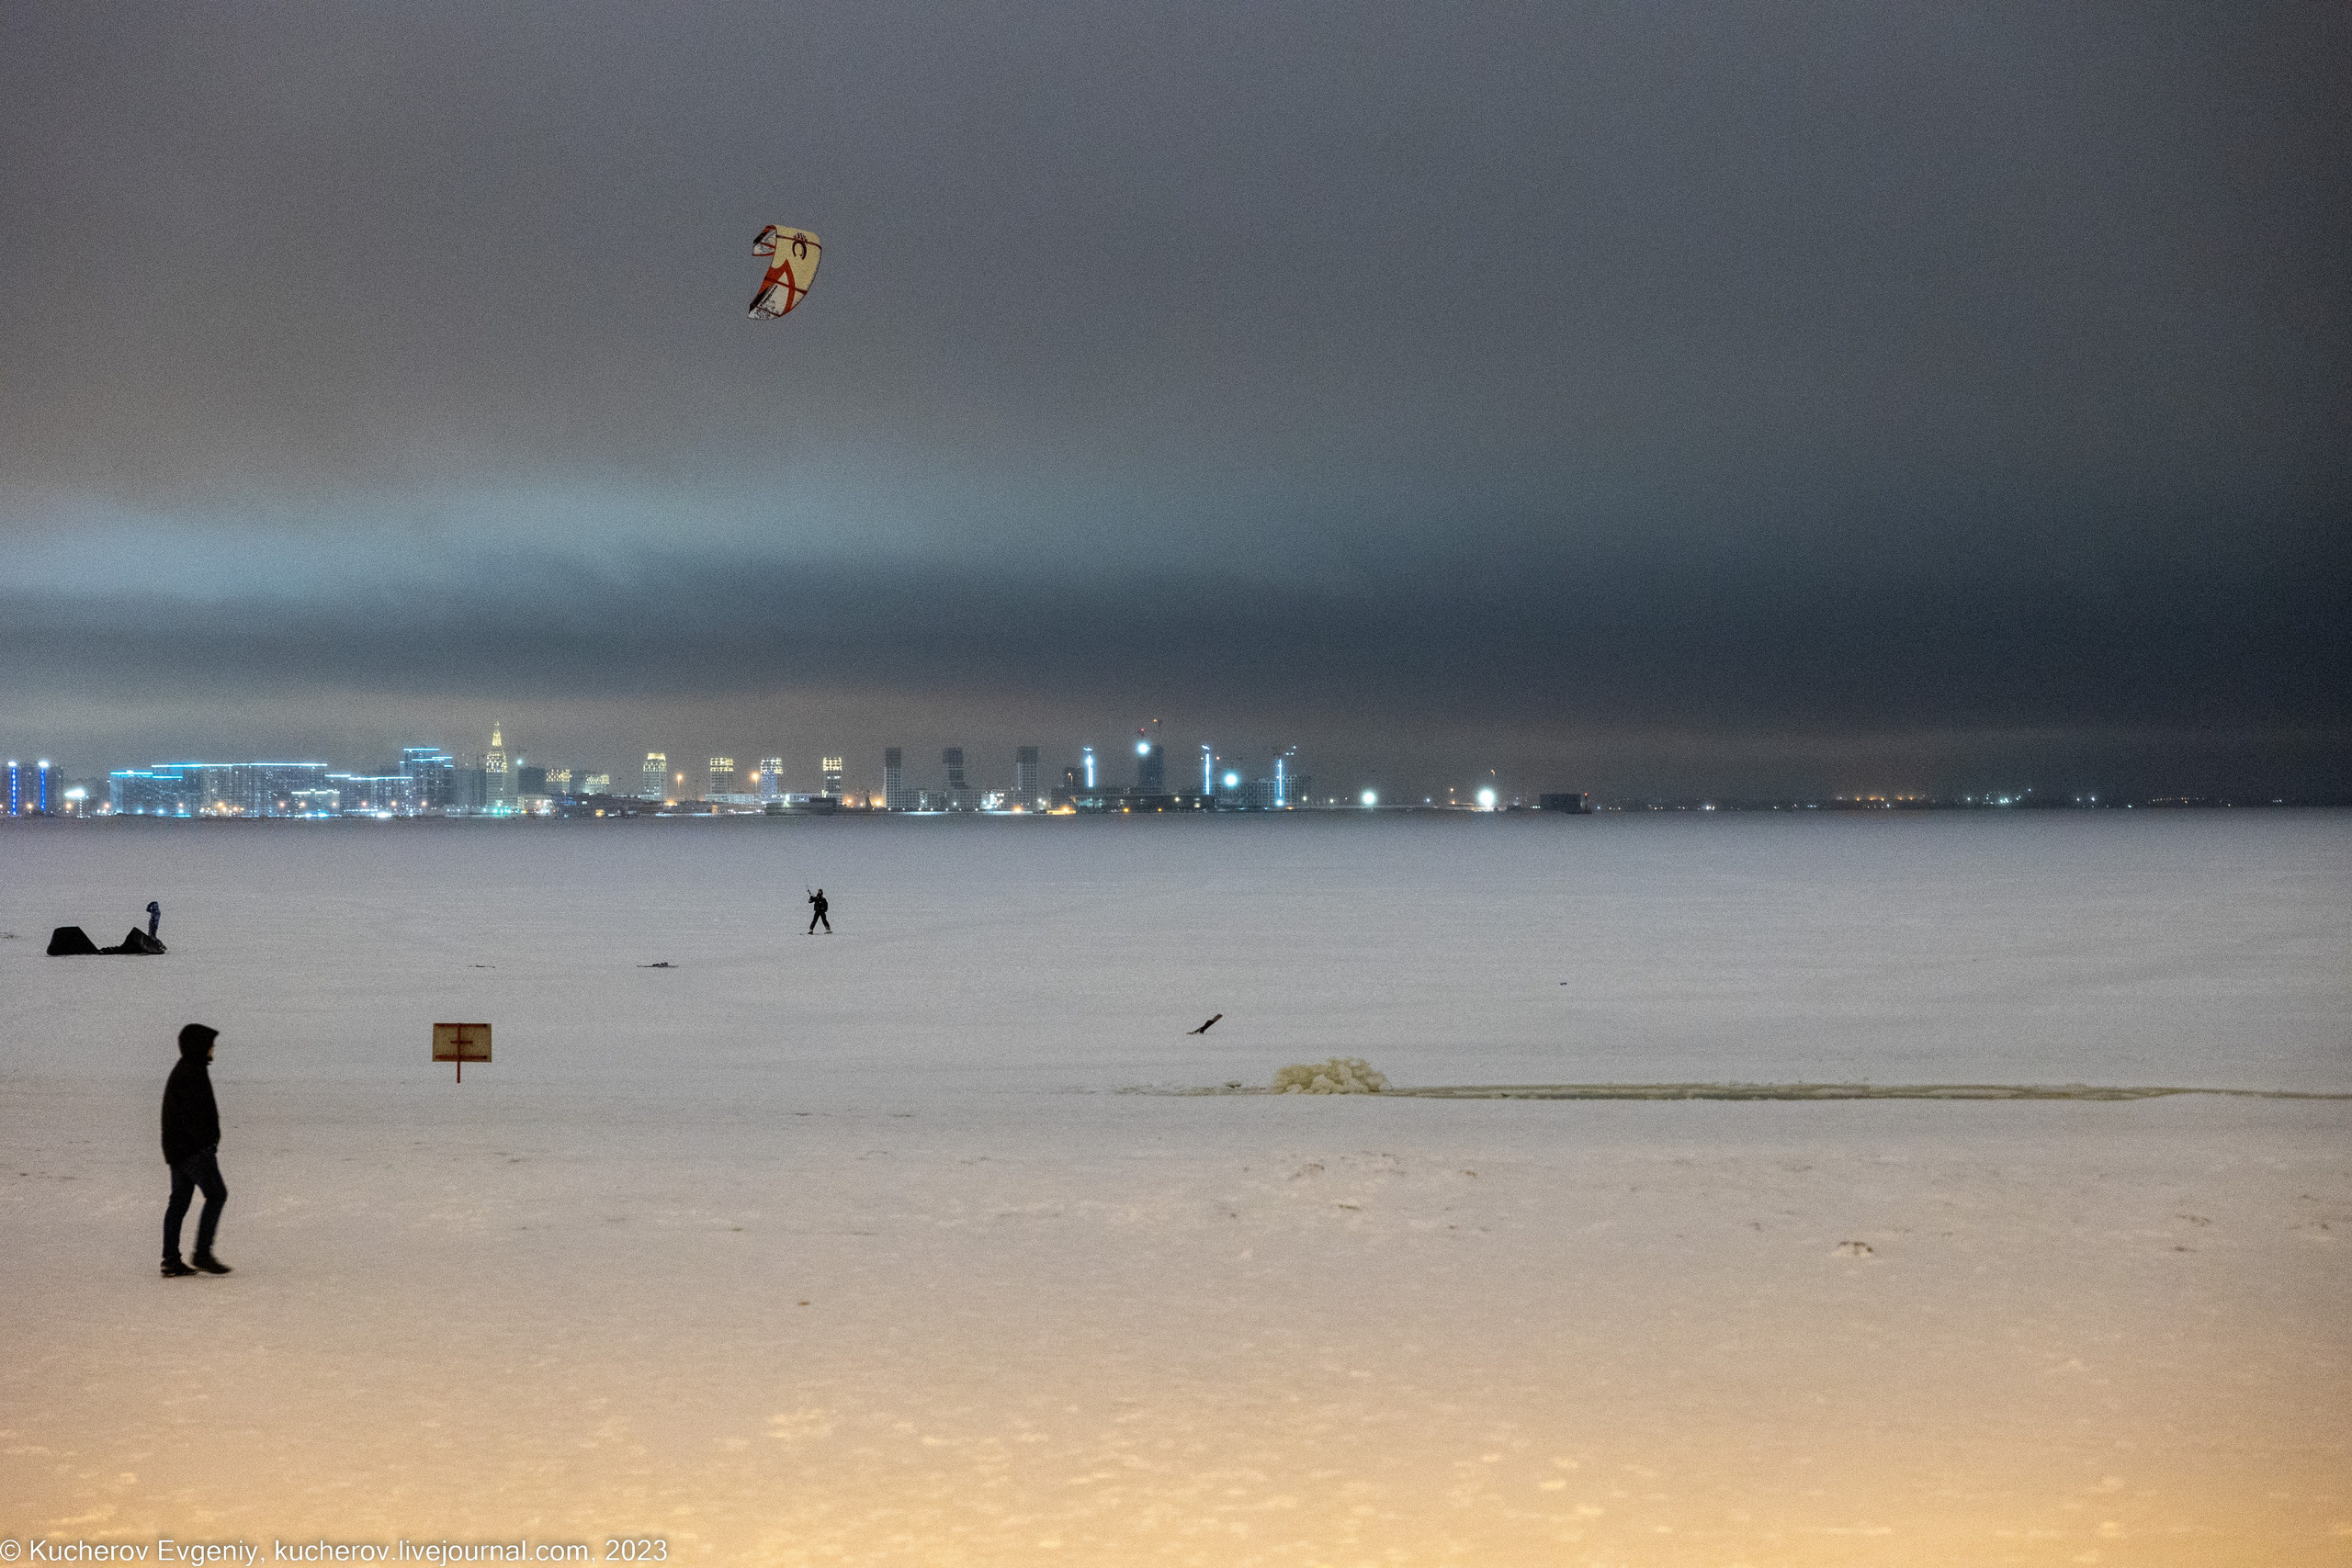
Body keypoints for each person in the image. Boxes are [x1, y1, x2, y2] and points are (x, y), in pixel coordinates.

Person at [161, 1023, 230, 1277]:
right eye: (211, 1044)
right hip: (193, 1151)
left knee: (178, 1202)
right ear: (200, 1046)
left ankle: (170, 1260)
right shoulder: (192, 1072)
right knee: (217, 1194)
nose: (214, 1049)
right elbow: (192, 1116)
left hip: (178, 1151)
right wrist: (206, 1144)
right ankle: (202, 1254)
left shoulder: (186, 1070)